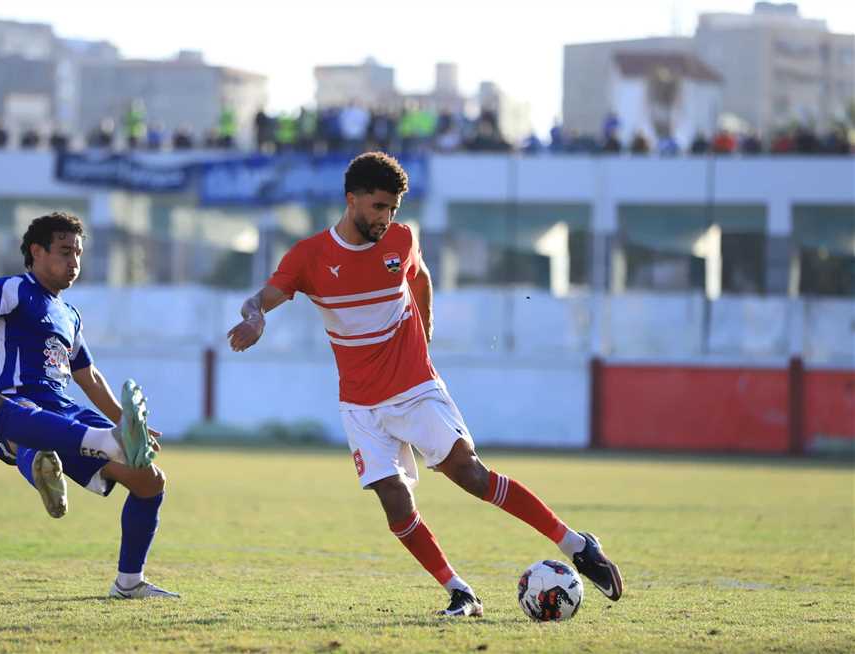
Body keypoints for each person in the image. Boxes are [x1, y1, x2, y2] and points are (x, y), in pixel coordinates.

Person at [227, 152, 624, 617]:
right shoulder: (310, 257)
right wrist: (255, 319)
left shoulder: (401, 239)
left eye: (393, 209)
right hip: (359, 403)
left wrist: (426, 324)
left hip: (414, 385)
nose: (386, 218)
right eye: (378, 207)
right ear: (351, 199)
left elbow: (421, 278)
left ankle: (576, 545)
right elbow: (260, 297)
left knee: (470, 475)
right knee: (395, 503)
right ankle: (461, 592)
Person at [0, 212, 178, 600]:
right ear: (36, 251)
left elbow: (89, 377)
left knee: (150, 481)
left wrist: (127, 422)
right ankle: (39, 462)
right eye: (65, 252)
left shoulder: (70, 316)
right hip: (10, 406)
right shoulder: (13, 288)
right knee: (31, 430)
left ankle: (128, 583)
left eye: (78, 253)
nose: (74, 262)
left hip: (67, 413)